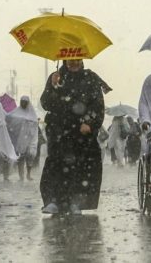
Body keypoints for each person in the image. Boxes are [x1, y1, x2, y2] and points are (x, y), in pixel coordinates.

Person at [40, 59, 105, 215]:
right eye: (71, 59)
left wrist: (89, 123)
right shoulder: (56, 77)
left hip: (82, 133)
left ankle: (76, 201)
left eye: (78, 59)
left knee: (82, 166)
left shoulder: (90, 78)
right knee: (56, 165)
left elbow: (98, 105)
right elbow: (46, 103)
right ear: (65, 59)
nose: (74, 63)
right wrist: (54, 86)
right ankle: (54, 201)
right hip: (59, 132)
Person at [6, 96, 39, 181]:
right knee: (21, 156)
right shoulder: (16, 112)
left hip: (30, 138)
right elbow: (9, 119)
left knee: (30, 155)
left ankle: (28, 174)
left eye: (25, 101)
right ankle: (21, 176)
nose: (23, 103)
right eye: (22, 101)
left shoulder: (32, 113)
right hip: (20, 138)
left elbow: (35, 125)